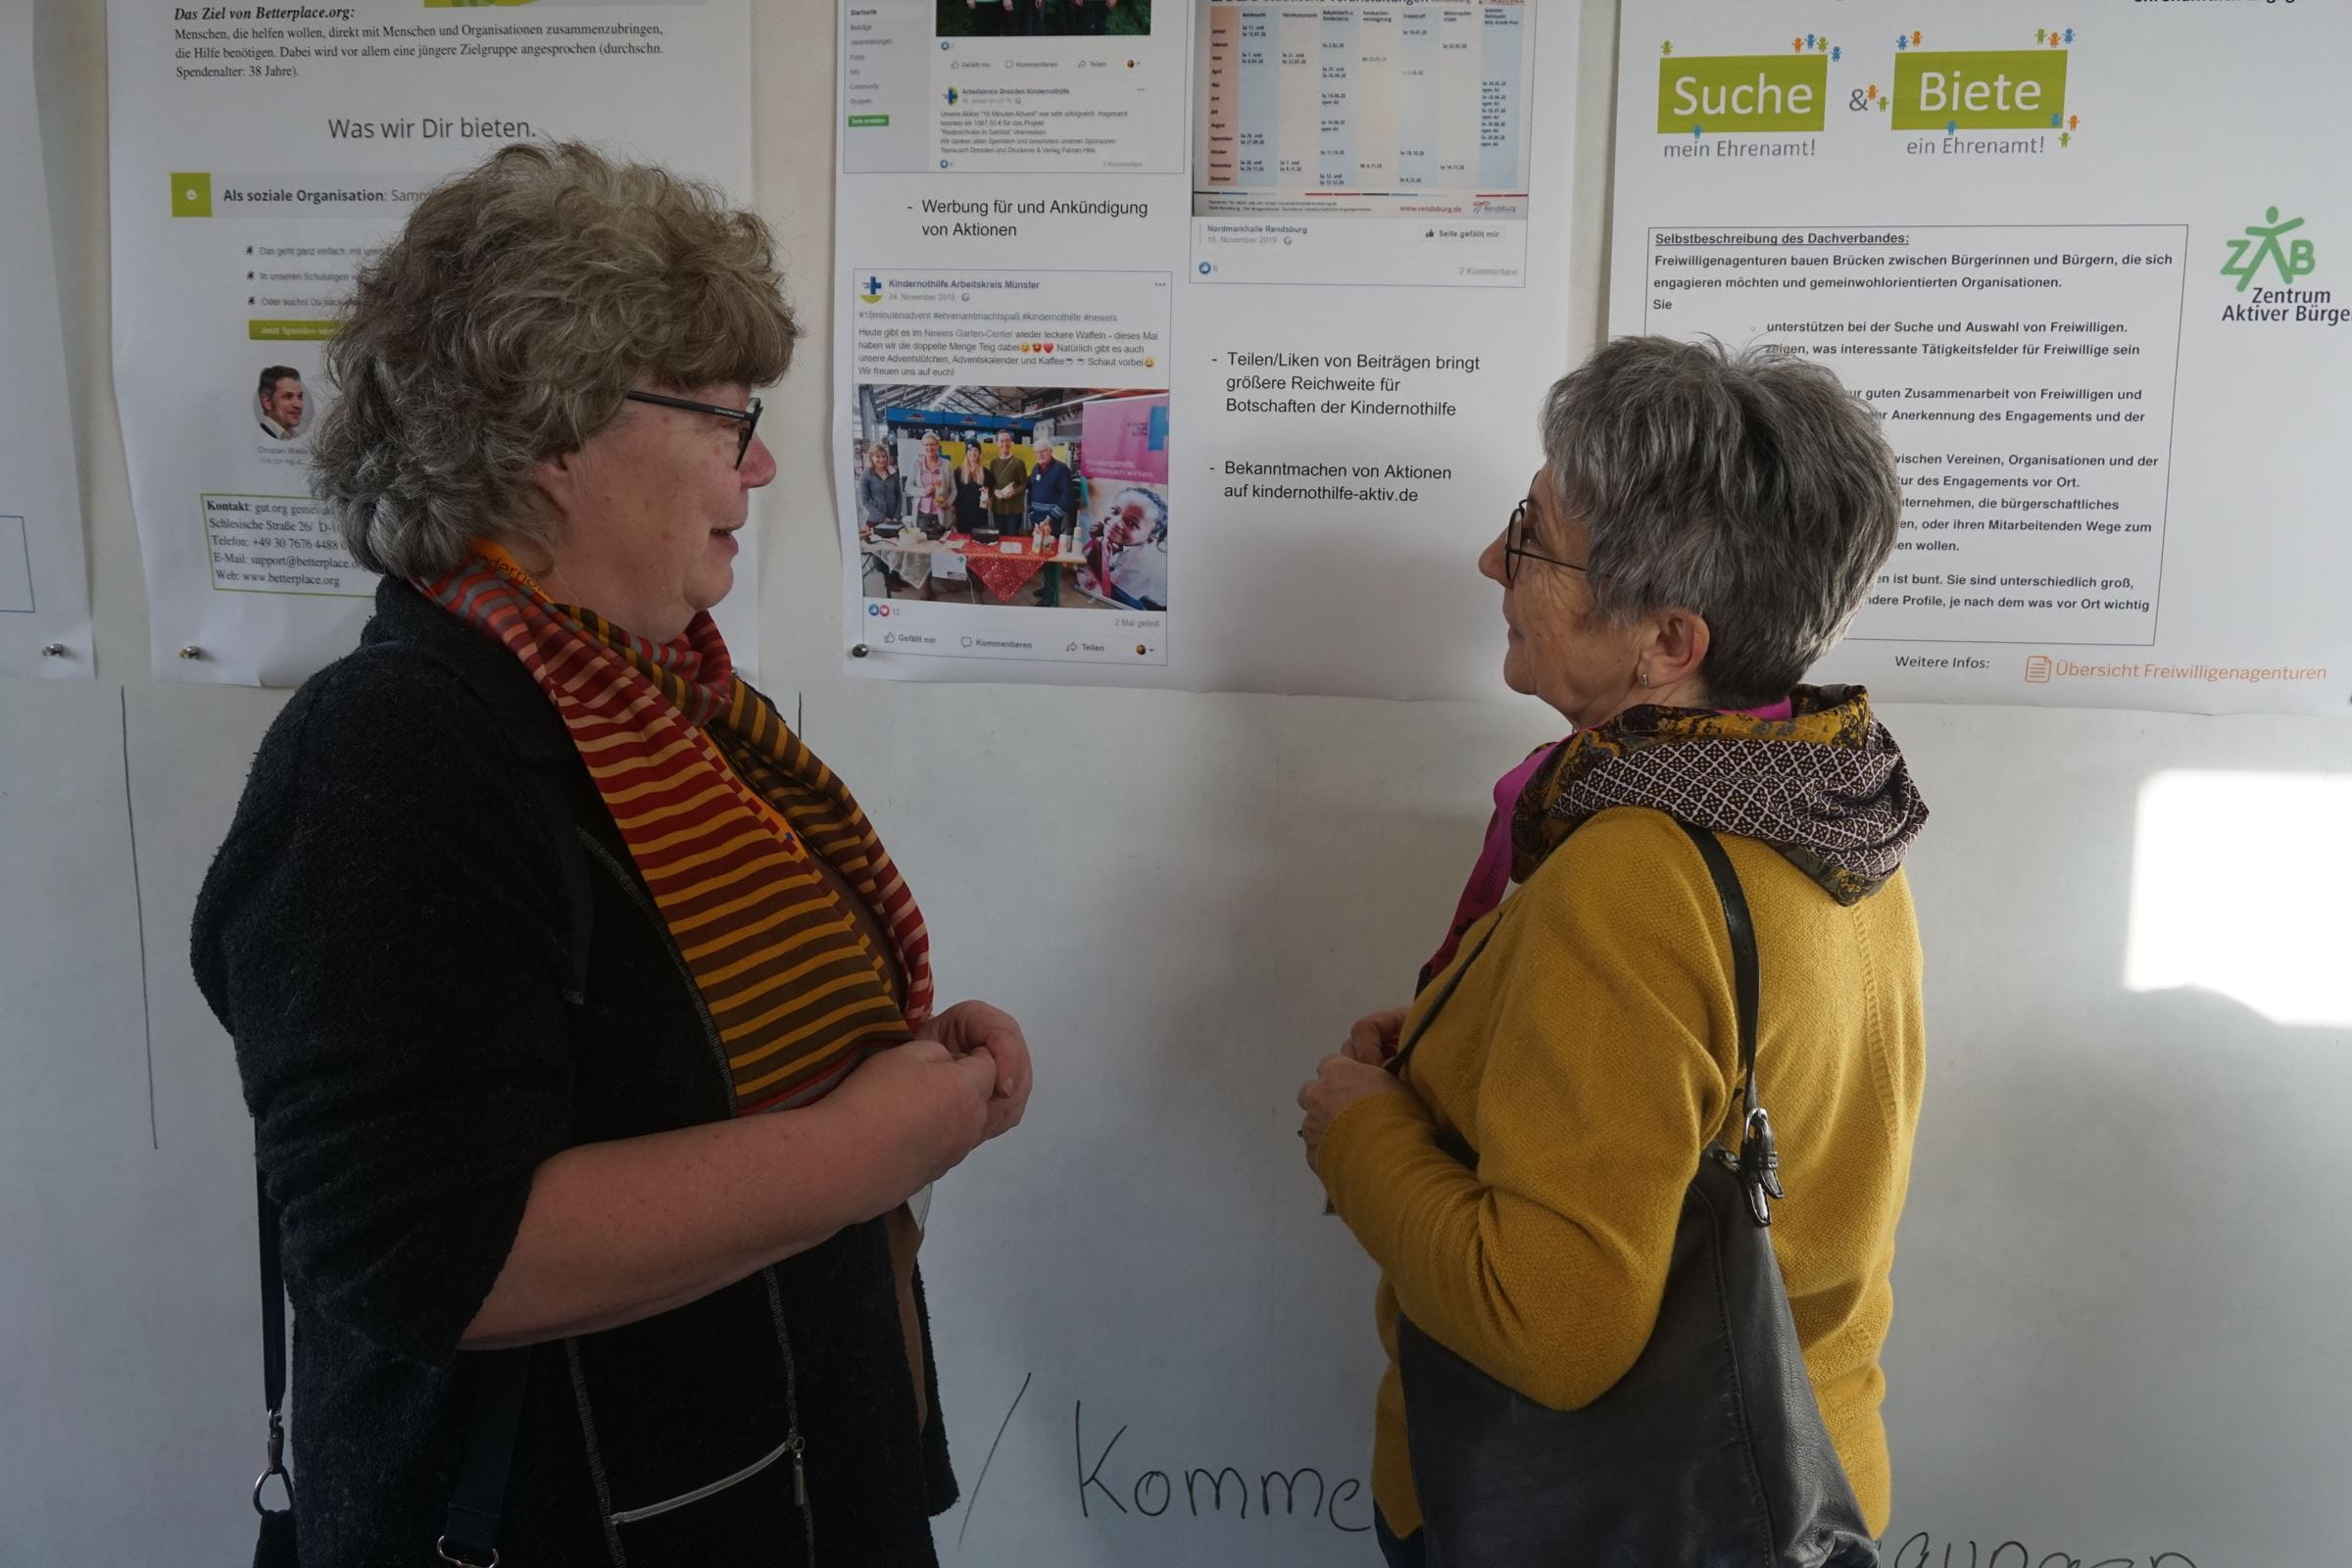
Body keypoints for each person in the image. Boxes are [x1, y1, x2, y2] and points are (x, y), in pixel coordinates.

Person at [192, 141, 1034, 1564]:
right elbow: (427, 1255)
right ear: (549, 434)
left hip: (787, 1485)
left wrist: (901, 1065)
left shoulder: (665, 702)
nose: (759, 460)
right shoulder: (391, 752)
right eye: (722, 414)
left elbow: (693, 1055)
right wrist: (864, 1141)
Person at [1296, 336, 1928, 1565]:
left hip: (1604, 1513)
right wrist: (1443, 1069)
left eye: (1529, 539)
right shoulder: (1832, 799)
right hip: (1796, 1475)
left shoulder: (1638, 872)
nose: (1492, 559)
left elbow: (1552, 1326)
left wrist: (1357, 1125)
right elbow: (1720, 1097)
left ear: (1668, 643)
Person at [1026, 441, 1075, 543]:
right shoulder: (1036, 468)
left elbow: (1067, 495)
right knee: (1036, 547)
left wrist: (1051, 517)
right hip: (1036, 518)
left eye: (1043, 451)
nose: (1040, 455)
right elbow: (1031, 490)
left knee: (1049, 550)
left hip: (1052, 521)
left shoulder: (1061, 469)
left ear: (1051, 452)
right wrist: (1030, 510)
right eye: (1037, 452)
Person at [985, 428, 1028, 535]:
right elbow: (992, 483)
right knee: (999, 538)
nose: (1005, 443)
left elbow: (1024, 484)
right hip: (998, 508)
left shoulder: (1019, 463)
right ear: (997, 444)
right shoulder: (993, 462)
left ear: (1011, 442)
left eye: (1007, 440)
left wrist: (1014, 492)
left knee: (1012, 539)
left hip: (1014, 509)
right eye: (1001, 441)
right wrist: (995, 491)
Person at [858, 439, 906, 535]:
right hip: (875, 522)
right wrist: (882, 518)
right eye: (878, 456)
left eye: (884, 456)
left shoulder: (893, 473)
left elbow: (899, 497)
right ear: (871, 457)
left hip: (894, 521)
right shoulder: (866, 475)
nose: (881, 459)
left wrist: (897, 516)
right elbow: (865, 501)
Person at [913, 431, 950, 538]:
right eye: (926, 445)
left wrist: (948, 503)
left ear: (938, 446)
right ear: (922, 447)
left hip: (941, 512)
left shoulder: (946, 464)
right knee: (923, 545)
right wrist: (924, 491)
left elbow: (954, 490)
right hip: (922, 514)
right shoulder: (916, 463)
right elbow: (908, 487)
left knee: (942, 545)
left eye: (932, 444)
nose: (929, 447)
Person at [953, 443, 991, 535]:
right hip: (962, 517)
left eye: (975, 450)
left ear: (979, 453)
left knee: (980, 546)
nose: (973, 453)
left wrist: (987, 497)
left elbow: (987, 500)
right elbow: (953, 494)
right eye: (970, 450)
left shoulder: (986, 473)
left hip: (980, 517)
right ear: (966, 453)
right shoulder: (958, 472)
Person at [257, 365, 304, 439]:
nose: (298, 405)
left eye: (300, 396)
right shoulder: (258, 436)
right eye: (288, 396)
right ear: (267, 402)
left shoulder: (294, 437)